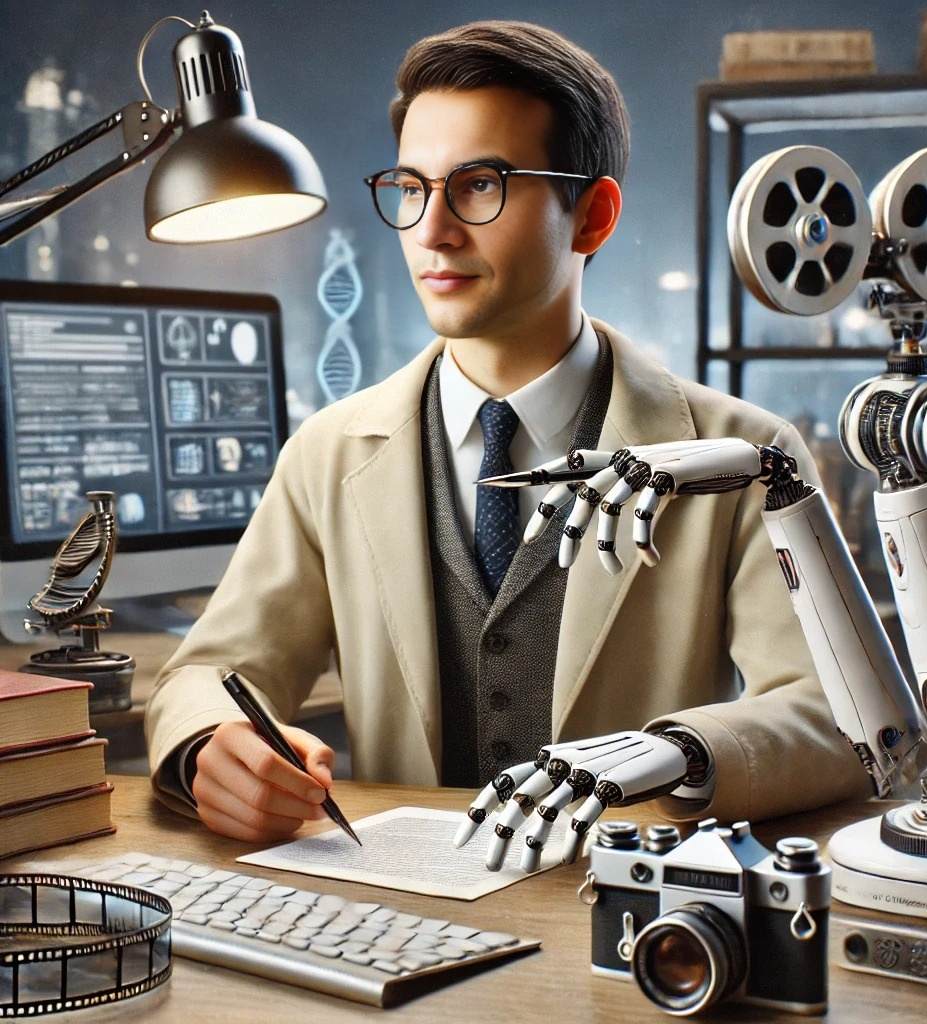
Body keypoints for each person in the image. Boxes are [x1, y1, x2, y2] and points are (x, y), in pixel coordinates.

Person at [145, 20, 870, 843]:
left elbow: (836, 710)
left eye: (480, 185)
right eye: (412, 188)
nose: (432, 230)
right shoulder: (328, 452)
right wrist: (213, 747)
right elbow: (209, 671)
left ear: (592, 217)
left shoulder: (744, 455)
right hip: (396, 918)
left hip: (633, 920)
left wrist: (672, 758)